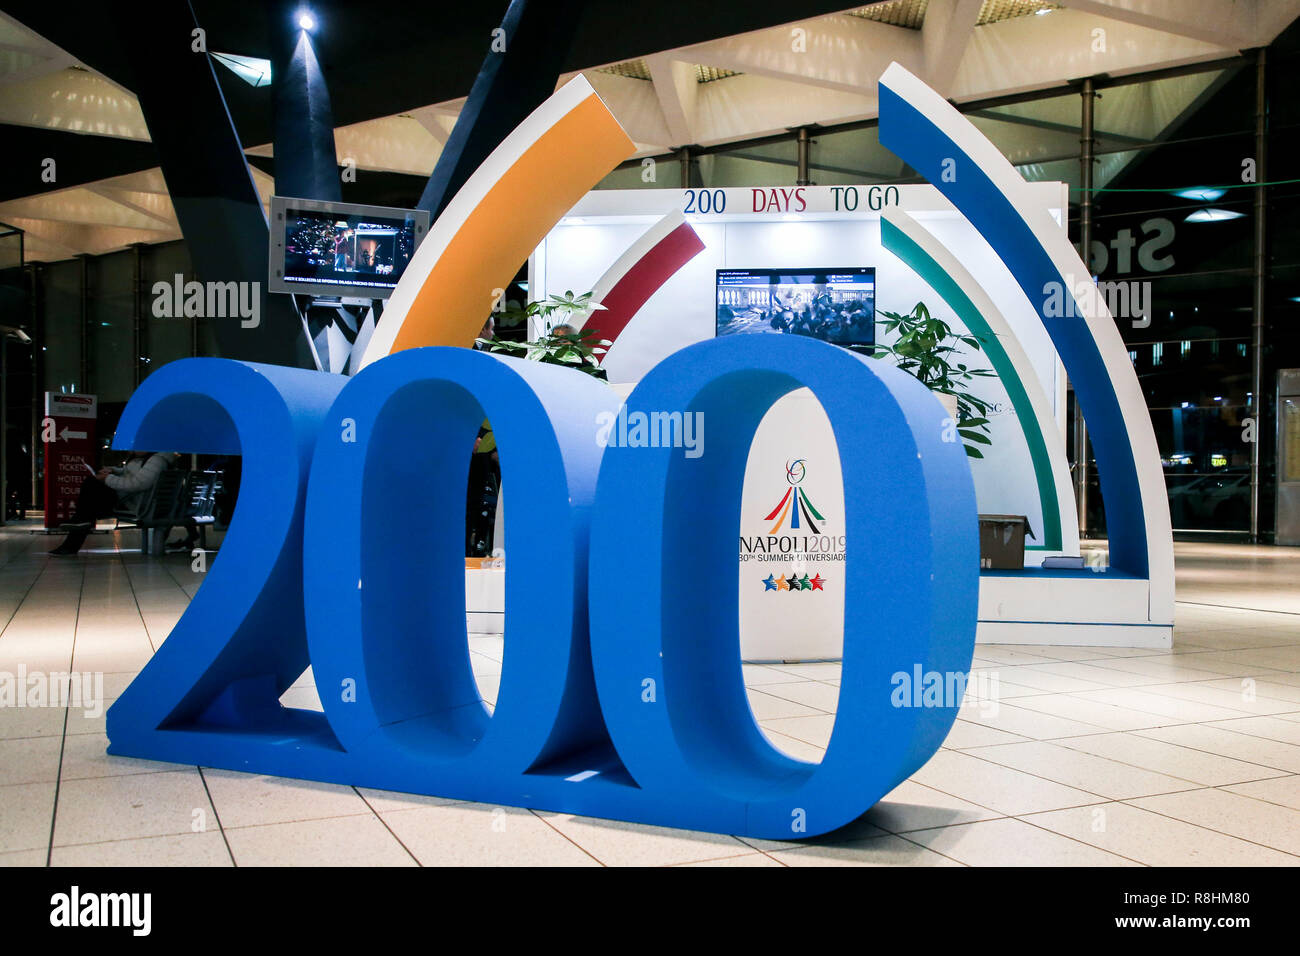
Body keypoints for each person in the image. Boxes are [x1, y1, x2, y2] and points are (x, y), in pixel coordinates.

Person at [49, 451, 177, 556]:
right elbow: (130, 472)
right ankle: (75, 531)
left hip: (135, 503)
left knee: (91, 488)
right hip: (132, 500)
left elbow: (138, 484)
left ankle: (74, 534)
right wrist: (114, 471)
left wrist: (107, 479)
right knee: (90, 499)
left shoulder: (156, 460)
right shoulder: (146, 458)